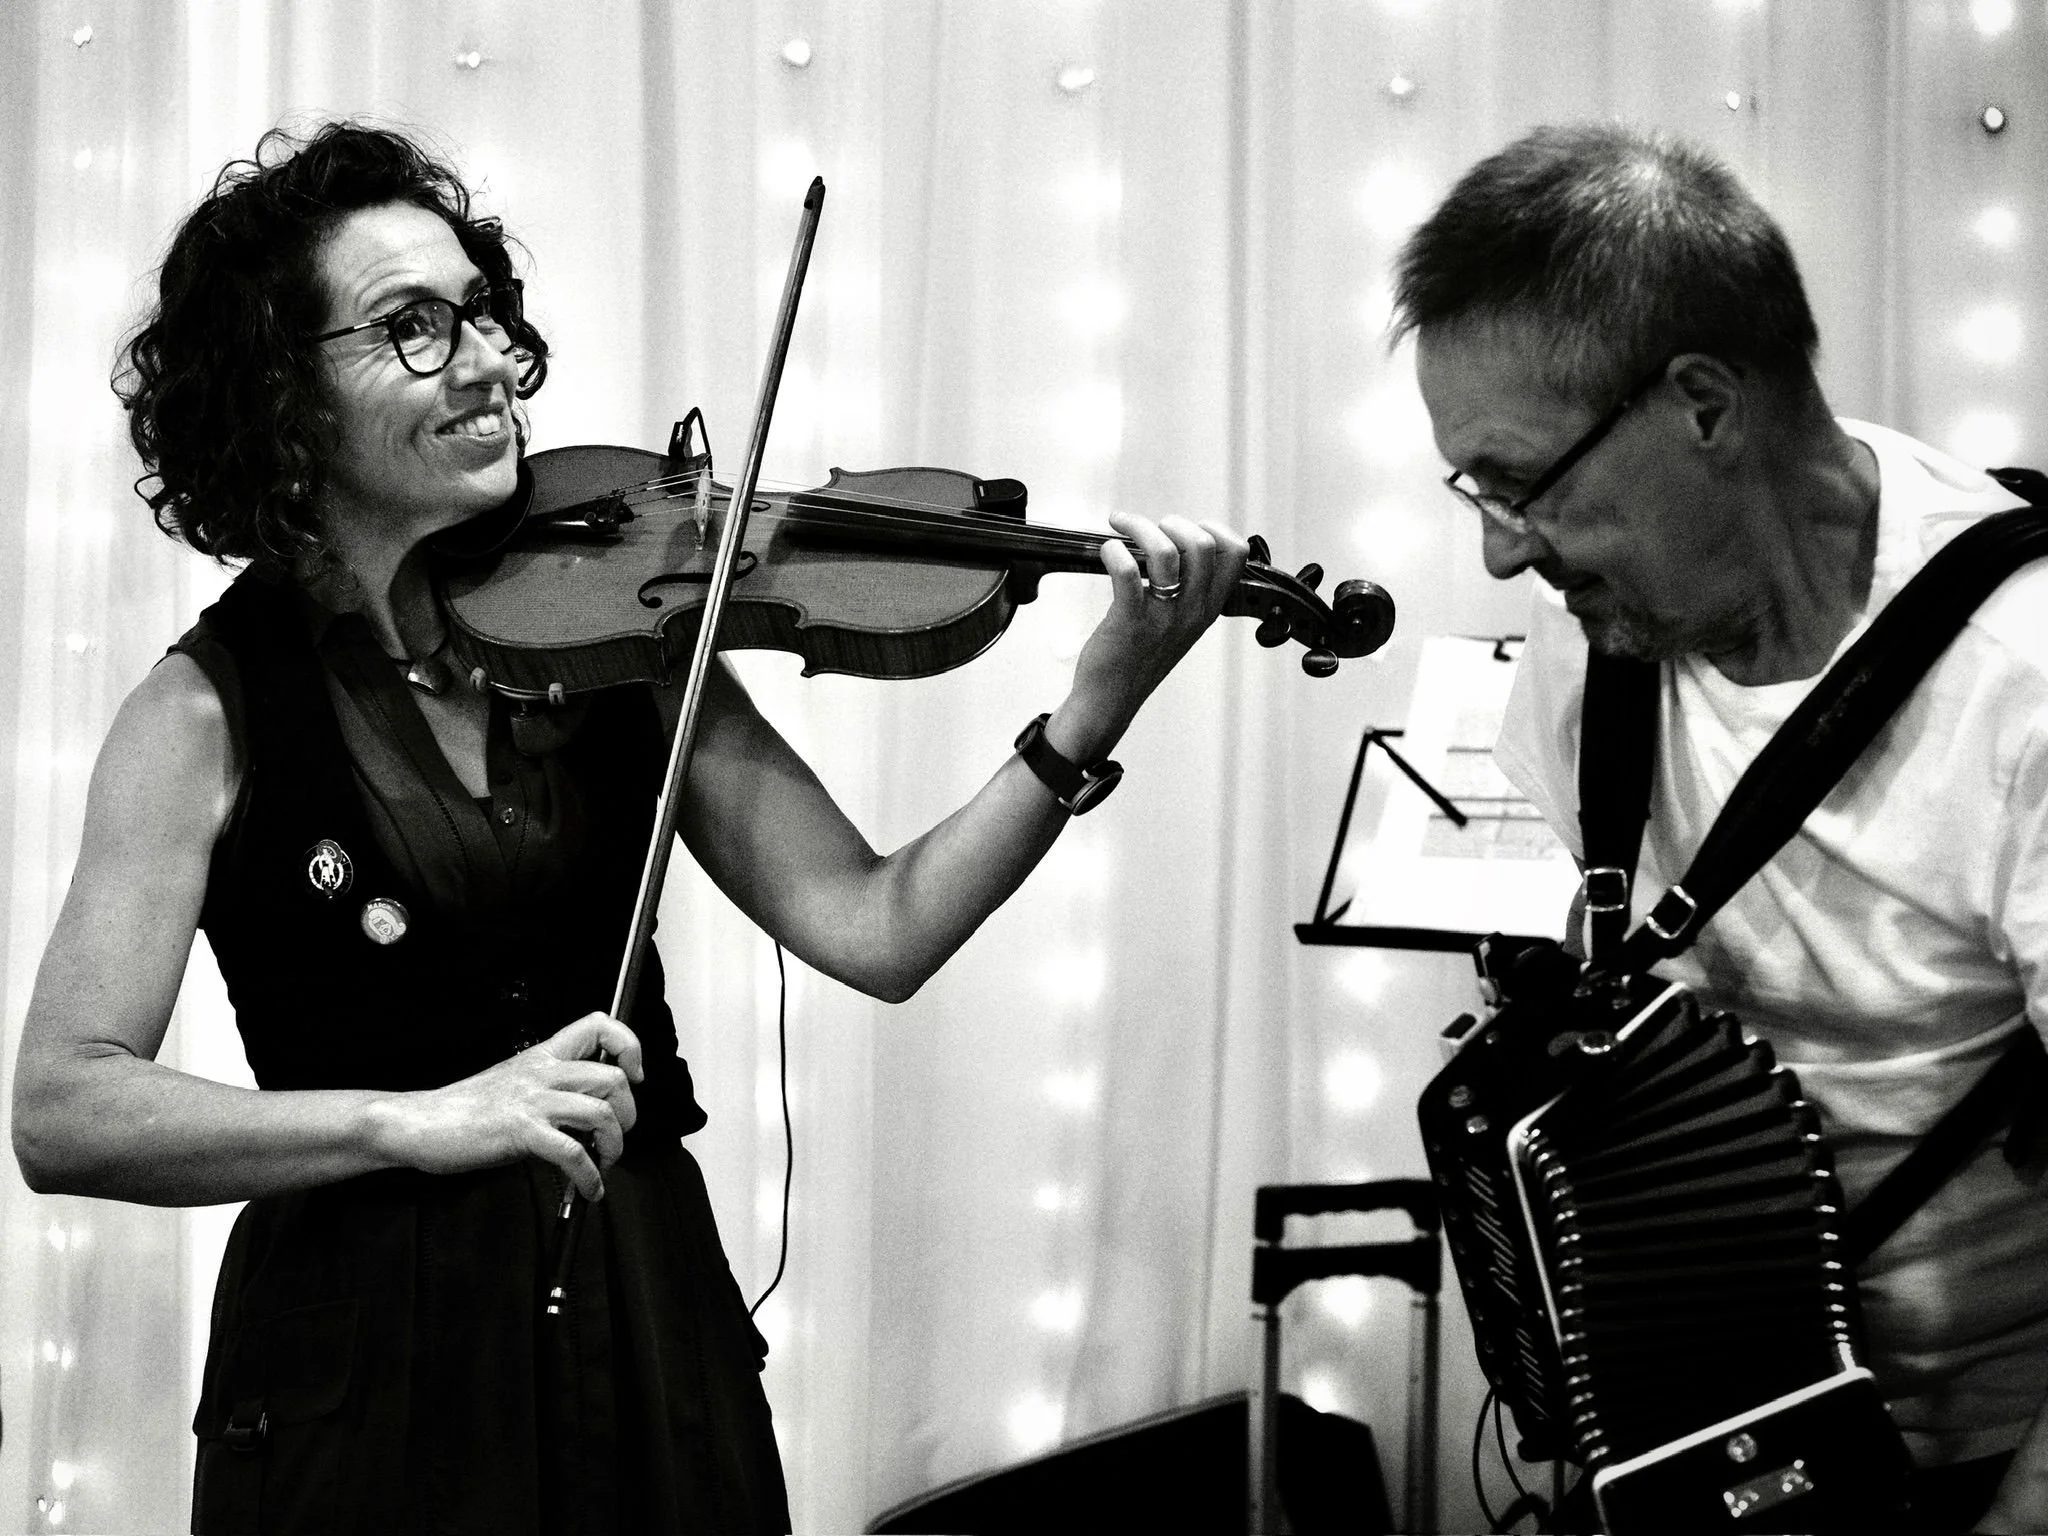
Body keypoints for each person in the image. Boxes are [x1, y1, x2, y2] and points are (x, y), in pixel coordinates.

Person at [9, 122, 1247, 1534]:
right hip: (361, 1363)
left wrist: (1089, 713)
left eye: (479, 312)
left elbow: (879, 925)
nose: (484, 360)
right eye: (412, 328)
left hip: (641, 1310)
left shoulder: (625, 636)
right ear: (286, 399)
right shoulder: (201, 715)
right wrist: (417, 1123)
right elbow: (64, 1106)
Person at [1395, 122, 2048, 1535]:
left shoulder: (2026, 685)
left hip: (1989, 1453)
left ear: (1703, 404)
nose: (1503, 548)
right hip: (1702, 1439)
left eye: (1521, 482)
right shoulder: (1594, 647)